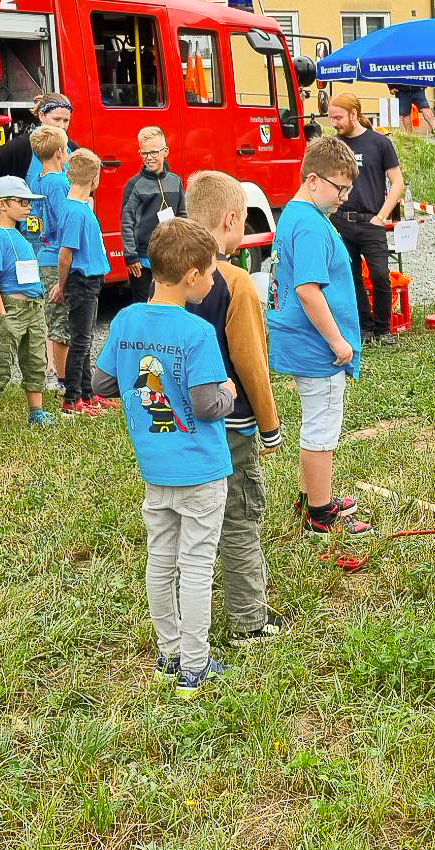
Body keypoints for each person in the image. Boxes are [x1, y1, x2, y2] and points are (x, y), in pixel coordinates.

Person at [95, 218, 236, 698]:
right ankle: (195, 668)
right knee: (196, 566)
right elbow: (203, 404)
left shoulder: (127, 319)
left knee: (161, 559)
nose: (216, 279)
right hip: (199, 465)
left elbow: (103, 383)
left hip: (154, 465)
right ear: (193, 274)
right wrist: (229, 393)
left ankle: (169, 653)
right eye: (213, 271)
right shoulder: (197, 332)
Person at [177, 170, 287, 646]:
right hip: (232, 424)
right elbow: (250, 359)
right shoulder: (236, 282)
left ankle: (184, 616)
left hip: (178, 423)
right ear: (229, 220)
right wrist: (270, 424)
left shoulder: (166, 276)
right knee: (240, 518)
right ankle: (248, 618)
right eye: (243, 220)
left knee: (188, 524)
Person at [268, 137, 373, 537]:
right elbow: (307, 290)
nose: (344, 196)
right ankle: (320, 514)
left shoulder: (296, 215)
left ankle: (312, 494)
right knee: (322, 427)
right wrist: (337, 342)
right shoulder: (311, 225)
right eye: (339, 187)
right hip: (318, 349)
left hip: (299, 342)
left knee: (315, 422)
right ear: (313, 180)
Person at [0, 176, 53, 435]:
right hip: (13, 309)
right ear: (3, 205)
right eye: (22, 202)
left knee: (35, 359)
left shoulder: (20, 235)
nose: (27, 207)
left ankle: (36, 412)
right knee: (1, 362)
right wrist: (2, 312)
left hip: (34, 308)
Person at [327, 93, 405, 345]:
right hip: (341, 221)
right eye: (331, 117)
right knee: (350, 276)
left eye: (338, 117)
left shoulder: (379, 143)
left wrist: (382, 216)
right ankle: (364, 327)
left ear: (354, 114)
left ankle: (383, 329)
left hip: (371, 221)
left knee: (380, 274)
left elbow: (397, 182)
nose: (334, 123)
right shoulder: (334, 146)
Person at [47, 149, 111, 417]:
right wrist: (62, 285)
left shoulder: (79, 207)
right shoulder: (75, 211)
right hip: (81, 281)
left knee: (84, 339)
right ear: (95, 178)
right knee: (81, 341)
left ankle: (87, 392)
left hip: (90, 280)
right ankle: (72, 400)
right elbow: (65, 254)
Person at [28, 127, 73, 395]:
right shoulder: (59, 182)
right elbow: (65, 219)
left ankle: (59, 375)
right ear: (60, 152)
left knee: (54, 317)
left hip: (44, 253)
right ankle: (62, 378)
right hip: (57, 256)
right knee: (61, 321)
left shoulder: (37, 179)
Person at [120, 126, 184, 307]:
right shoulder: (134, 185)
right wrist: (130, 256)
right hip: (141, 261)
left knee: (170, 305)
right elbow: (127, 221)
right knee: (145, 307)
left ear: (165, 151)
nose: (149, 158)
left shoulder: (175, 181)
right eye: (144, 153)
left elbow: (182, 216)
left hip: (170, 257)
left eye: (154, 152)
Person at [0, 93, 80, 190]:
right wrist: (10, 195)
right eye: (56, 119)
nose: (62, 125)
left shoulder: (73, 149)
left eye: (66, 120)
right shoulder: (23, 145)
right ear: (41, 116)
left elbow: (84, 187)